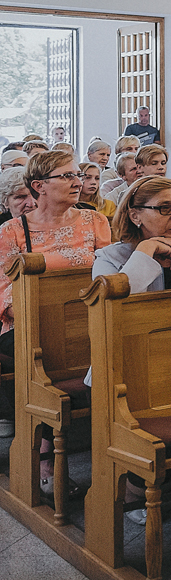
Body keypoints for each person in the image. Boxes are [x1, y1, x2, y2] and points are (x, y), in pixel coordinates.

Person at [0, 151, 112, 492]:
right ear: (39, 186)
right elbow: (5, 293)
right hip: (29, 325)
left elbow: (109, 275)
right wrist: (50, 320)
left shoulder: (95, 221)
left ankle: (115, 452)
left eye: (78, 174)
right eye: (67, 176)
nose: (79, 182)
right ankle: (44, 455)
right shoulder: (13, 230)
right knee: (48, 355)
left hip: (89, 319)